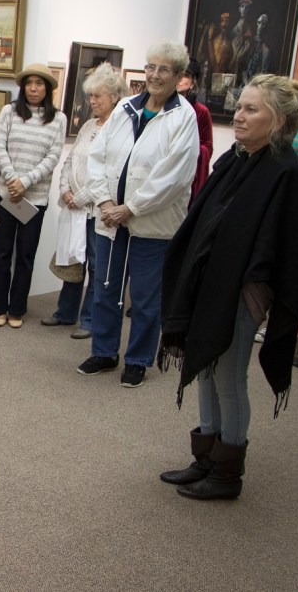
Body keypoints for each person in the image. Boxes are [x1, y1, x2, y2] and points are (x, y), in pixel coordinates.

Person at [157, 74, 298, 500]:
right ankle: (206, 457)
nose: (238, 115)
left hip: (242, 291)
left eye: (251, 109)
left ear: (278, 121)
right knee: (203, 365)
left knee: (228, 378)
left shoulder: (287, 172)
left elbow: (283, 244)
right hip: (210, 283)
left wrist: (252, 288)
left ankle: (226, 474)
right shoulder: (236, 159)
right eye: (239, 107)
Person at [76, 40, 199, 388]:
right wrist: (104, 203)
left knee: (145, 298)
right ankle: (104, 352)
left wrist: (130, 208)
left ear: (178, 75)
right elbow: (97, 157)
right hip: (110, 220)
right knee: (105, 288)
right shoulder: (125, 108)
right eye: (150, 67)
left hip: (152, 225)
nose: (155, 75)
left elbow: (174, 177)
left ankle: (138, 359)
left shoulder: (183, 117)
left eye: (164, 69)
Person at [41, 63, 126, 338]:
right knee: (71, 259)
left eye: (97, 96)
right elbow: (70, 160)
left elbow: (110, 172)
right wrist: (65, 188)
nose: (92, 101)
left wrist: (81, 197)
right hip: (74, 208)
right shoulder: (89, 125)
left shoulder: (119, 130)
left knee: (96, 265)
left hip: (96, 210)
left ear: (114, 96)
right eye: (90, 96)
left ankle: (89, 319)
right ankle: (65, 312)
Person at [0, 64, 67, 329]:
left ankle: (17, 308)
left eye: (39, 83)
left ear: (47, 89)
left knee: (25, 256)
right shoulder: (9, 112)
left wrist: (26, 181)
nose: (33, 88)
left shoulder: (59, 119)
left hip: (35, 199)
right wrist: (13, 180)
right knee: (1, 253)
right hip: (7, 194)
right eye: (29, 83)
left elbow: (53, 156)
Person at [177, 56, 214, 201]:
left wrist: (187, 149)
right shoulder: (159, 106)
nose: (180, 79)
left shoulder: (201, 111)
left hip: (187, 174)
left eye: (185, 75)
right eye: (177, 74)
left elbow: (207, 146)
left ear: (193, 82)